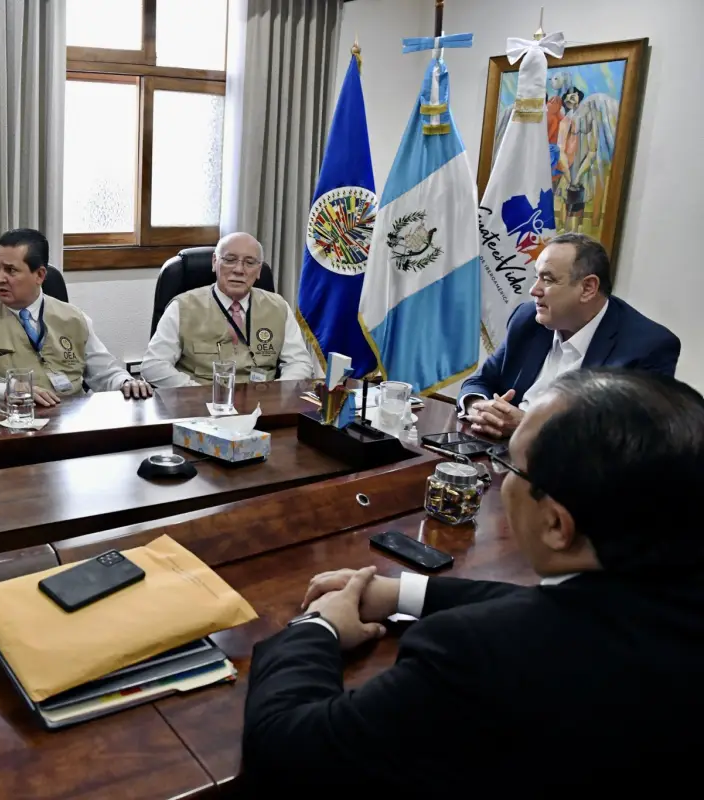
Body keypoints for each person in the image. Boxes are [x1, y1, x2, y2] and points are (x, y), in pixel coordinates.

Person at [242, 368, 704, 790]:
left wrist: (316, 626)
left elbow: (287, 751)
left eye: (510, 465)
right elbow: (564, 609)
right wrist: (400, 591)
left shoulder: (473, 654)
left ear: (556, 526)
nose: (499, 482)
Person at [461, 232, 678, 439]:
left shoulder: (648, 346)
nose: (534, 290)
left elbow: (628, 439)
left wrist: (529, 428)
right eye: (537, 277)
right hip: (497, 450)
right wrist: (479, 408)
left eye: (548, 279)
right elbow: (480, 381)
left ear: (588, 288)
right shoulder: (528, 319)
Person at [0, 228, 152, 405]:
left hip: (71, 422)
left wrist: (126, 382)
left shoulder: (73, 318)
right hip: (13, 424)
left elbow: (104, 372)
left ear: (40, 275)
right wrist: (10, 390)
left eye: (11, 270)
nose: (0, 278)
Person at [141, 232, 317, 387]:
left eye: (250, 262)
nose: (239, 270)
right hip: (200, 409)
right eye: (230, 260)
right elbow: (153, 365)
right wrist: (194, 391)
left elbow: (300, 363)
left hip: (261, 406)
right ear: (214, 262)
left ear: (258, 271)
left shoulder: (278, 307)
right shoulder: (182, 307)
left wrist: (276, 393)